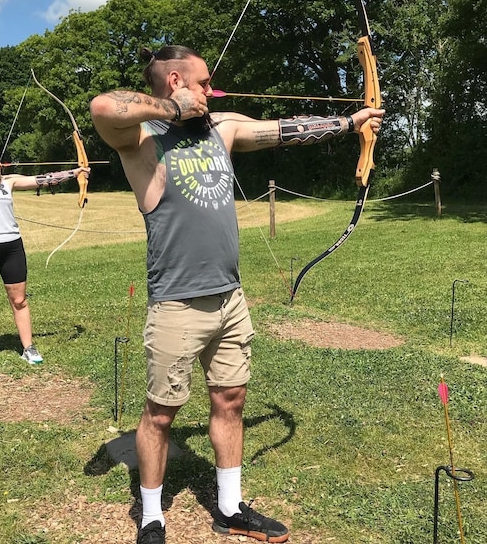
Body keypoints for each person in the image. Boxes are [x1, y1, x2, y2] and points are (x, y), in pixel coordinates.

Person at [90, 45, 384, 544]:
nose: (212, 90)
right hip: (176, 302)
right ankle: (152, 516)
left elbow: (282, 130)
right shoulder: (141, 138)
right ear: (176, 81)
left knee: (231, 399)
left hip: (230, 298)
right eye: (204, 83)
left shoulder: (221, 127)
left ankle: (229, 509)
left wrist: (350, 122)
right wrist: (171, 109)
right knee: (161, 413)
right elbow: (102, 106)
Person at [0, 145, 90, 372]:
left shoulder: (8, 182)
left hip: (12, 248)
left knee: (19, 301)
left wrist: (74, 173)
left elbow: (41, 179)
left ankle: (28, 348)